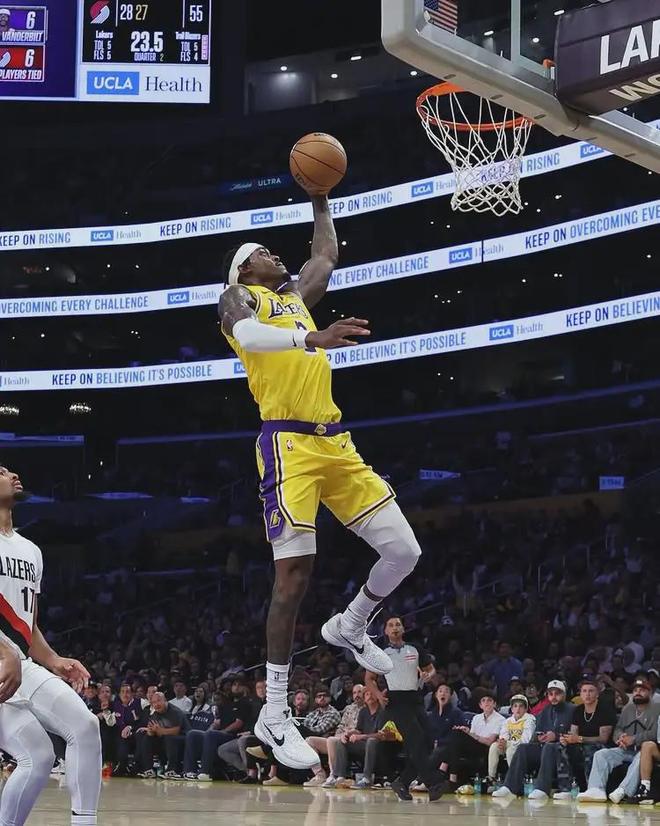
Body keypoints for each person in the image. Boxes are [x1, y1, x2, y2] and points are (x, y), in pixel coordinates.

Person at [219, 187, 424, 769]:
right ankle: (274, 711)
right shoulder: (238, 297)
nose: (274, 254)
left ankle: (351, 624)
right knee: (293, 576)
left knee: (404, 551)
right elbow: (250, 336)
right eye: (263, 251)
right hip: (286, 443)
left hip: (334, 441)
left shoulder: (294, 297)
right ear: (244, 268)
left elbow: (325, 256)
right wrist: (311, 337)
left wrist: (321, 199)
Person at [0, 464, 102, 826]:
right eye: (1, 471)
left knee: (85, 726)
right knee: (36, 756)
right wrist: (5, 651)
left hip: (18, 663)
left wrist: (54, 659)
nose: (13, 475)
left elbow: (27, 625)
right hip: (5, 661)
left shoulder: (31, 550)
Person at [365, 616, 446, 801]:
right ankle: (433, 782)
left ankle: (402, 782)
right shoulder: (380, 652)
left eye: (398, 624)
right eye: (391, 625)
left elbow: (431, 669)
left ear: (403, 629)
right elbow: (369, 678)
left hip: (415, 699)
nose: (395, 627)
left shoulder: (415, 648)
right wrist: (378, 695)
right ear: (385, 631)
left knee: (427, 741)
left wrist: (429, 675)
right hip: (395, 701)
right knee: (416, 741)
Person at [578, 678, 660, 803]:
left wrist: (633, 739)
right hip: (625, 749)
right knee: (601, 754)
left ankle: (623, 790)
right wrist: (620, 738)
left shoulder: (657, 708)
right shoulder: (628, 708)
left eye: (642, 690)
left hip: (644, 751)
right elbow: (618, 728)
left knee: (641, 756)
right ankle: (596, 789)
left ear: (650, 692)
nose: (638, 692)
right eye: (635, 690)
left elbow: (655, 733)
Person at [493, 680, 575, 799]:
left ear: (564, 694)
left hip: (565, 747)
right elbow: (537, 733)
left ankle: (542, 789)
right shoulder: (546, 710)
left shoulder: (572, 709)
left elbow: (575, 733)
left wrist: (556, 736)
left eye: (557, 693)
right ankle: (510, 787)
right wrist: (539, 737)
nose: (554, 697)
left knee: (549, 747)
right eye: (551, 694)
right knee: (523, 748)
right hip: (545, 747)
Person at [555, 678, 616, 798]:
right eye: (584, 691)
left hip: (602, 746)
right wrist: (567, 740)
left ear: (597, 694)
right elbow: (574, 733)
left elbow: (603, 738)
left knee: (590, 749)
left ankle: (592, 788)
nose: (587, 694)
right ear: (580, 694)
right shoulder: (578, 710)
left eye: (591, 691)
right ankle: (566, 788)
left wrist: (580, 739)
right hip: (582, 744)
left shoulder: (605, 710)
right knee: (561, 747)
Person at [323, 687, 393, 789]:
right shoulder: (363, 712)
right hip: (364, 744)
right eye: (367, 694)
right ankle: (340, 777)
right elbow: (359, 730)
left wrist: (362, 736)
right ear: (364, 699)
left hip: (380, 745)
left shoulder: (383, 712)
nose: (370, 696)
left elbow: (381, 735)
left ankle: (367, 778)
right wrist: (348, 733)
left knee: (371, 741)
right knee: (341, 741)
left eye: (372, 693)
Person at [437, 692, 504, 793]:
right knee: (455, 733)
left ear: (494, 704)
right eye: (483, 701)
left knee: (456, 736)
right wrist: (466, 731)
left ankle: (443, 771)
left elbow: (490, 742)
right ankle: (451, 779)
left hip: (486, 748)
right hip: (474, 746)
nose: (486, 703)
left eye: (489, 700)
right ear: (480, 705)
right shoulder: (477, 718)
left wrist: (472, 735)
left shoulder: (500, 719)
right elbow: (471, 736)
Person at [305, 683, 364, 786]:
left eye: (359, 692)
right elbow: (341, 726)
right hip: (339, 739)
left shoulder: (366, 709)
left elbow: (361, 729)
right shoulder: (349, 708)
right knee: (310, 741)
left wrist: (345, 735)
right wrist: (339, 735)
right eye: (354, 693)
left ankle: (333, 775)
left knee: (331, 740)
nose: (357, 695)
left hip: (354, 740)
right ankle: (320, 775)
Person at [135, 691, 190, 778]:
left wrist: (160, 731)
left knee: (169, 738)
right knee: (147, 738)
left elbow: (176, 731)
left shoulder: (174, 711)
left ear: (165, 700)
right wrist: (150, 731)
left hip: (183, 739)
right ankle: (148, 770)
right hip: (165, 739)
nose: (156, 704)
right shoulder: (155, 714)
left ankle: (171, 770)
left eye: (158, 701)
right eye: (154, 702)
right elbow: (152, 729)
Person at [488, 694, 535, 783]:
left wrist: (508, 743)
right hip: (509, 745)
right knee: (494, 746)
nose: (518, 709)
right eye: (515, 706)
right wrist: (502, 742)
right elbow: (503, 735)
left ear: (526, 709)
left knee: (511, 749)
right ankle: (491, 778)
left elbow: (526, 740)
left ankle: (515, 779)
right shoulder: (508, 721)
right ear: (512, 709)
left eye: (521, 706)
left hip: (525, 748)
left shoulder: (530, 720)